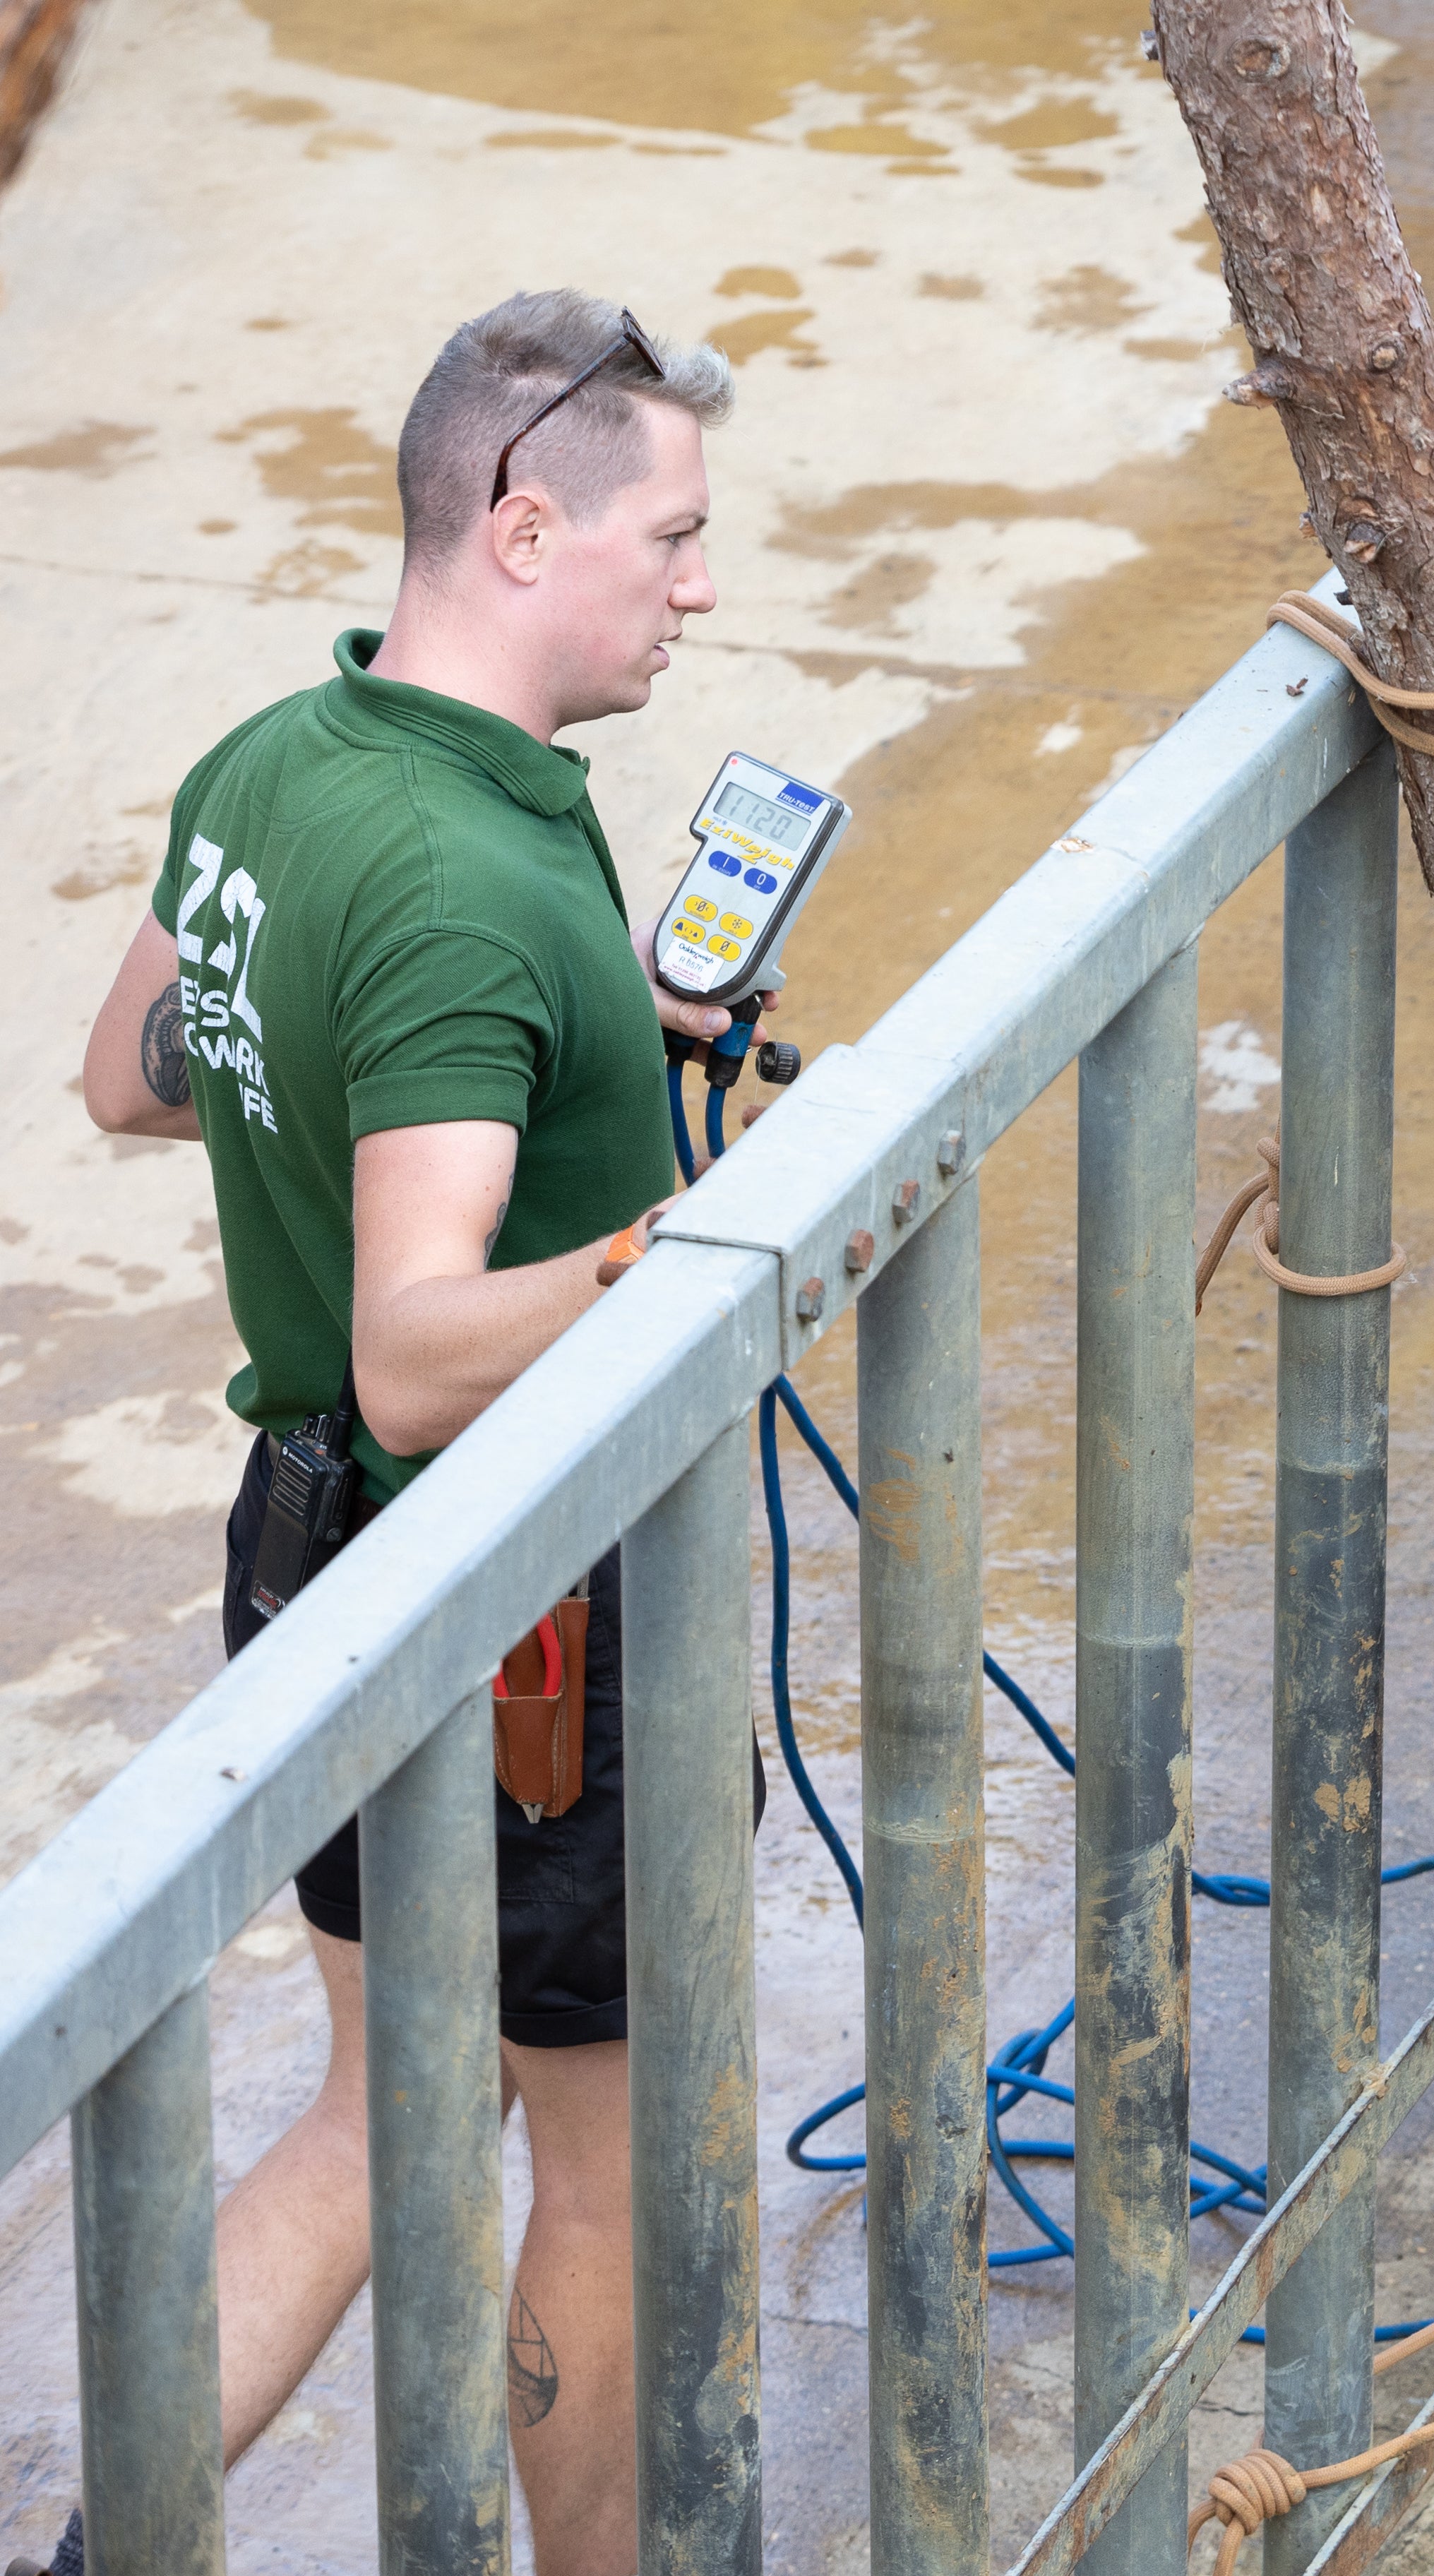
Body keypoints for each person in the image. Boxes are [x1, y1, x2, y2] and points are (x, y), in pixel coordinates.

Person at [59, 291, 744, 2576]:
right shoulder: (471, 883)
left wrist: (565, 1030)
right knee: (603, 2168)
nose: (702, 588)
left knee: (376, 2117)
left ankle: (100, 2547)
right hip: (514, 1610)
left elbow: (130, 1075)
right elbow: (420, 1353)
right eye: (675, 538)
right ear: (528, 527)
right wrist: (681, 1247)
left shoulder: (282, 758)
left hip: (302, 1551)